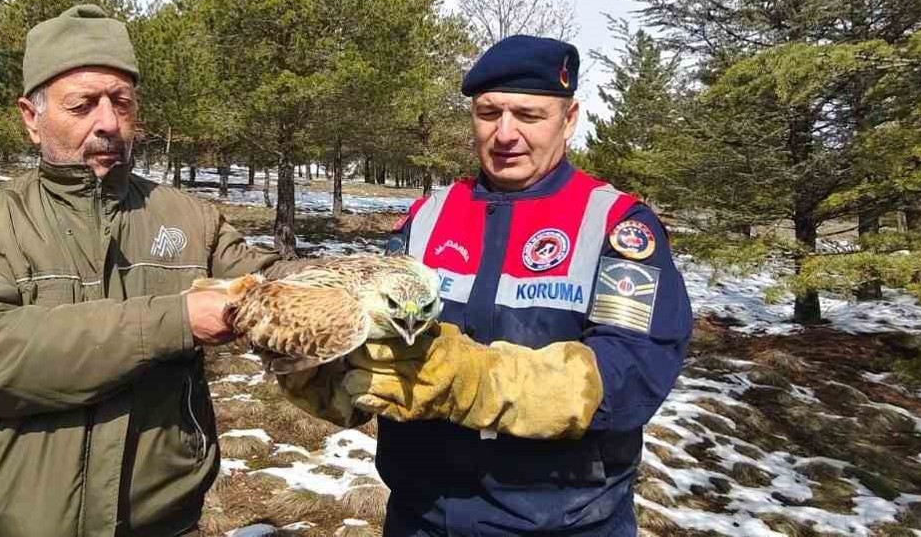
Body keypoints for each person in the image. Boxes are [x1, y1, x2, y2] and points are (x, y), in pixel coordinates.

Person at [283, 35, 693, 536]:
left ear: (569, 119)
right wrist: (329, 375)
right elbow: (381, 344)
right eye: (488, 113)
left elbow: (632, 375)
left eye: (529, 115)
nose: (505, 134)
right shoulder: (427, 218)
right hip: (422, 515)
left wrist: (478, 382)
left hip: (562, 521)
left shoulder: (615, 226)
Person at [0, 4, 291, 537]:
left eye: (121, 103)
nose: (107, 122)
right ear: (31, 118)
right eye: (83, 105)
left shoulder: (189, 219)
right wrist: (174, 322)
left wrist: (363, 282)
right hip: (19, 522)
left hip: (164, 518)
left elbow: (270, 281)